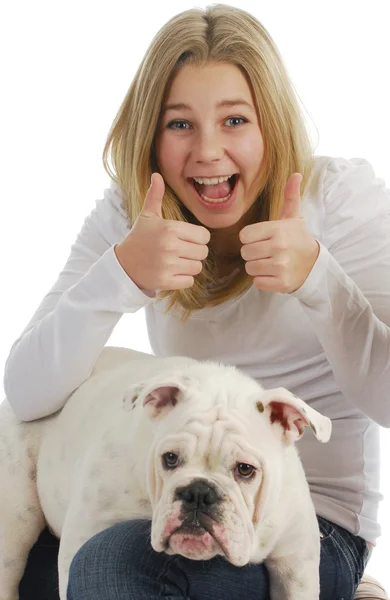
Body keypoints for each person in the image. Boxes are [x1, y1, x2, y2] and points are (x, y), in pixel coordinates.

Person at [4, 3, 390, 600]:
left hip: (315, 527)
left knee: (110, 570)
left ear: (272, 124)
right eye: (179, 124)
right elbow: (27, 391)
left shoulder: (339, 198)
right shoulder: (134, 212)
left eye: (234, 120)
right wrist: (119, 278)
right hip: (160, 499)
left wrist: (320, 279)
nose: (208, 152)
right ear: (151, 137)